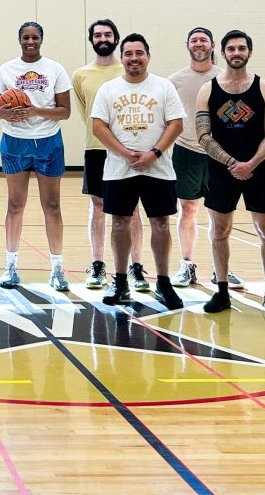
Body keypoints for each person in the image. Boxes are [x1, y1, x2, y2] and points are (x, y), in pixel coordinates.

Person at [91, 33, 185, 309]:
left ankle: (164, 282)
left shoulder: (163, 87)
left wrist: (153, 153)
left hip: (158, 169)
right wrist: (124, 152)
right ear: (122, 58)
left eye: (139, 53)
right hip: (120, 169)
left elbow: (176, 124)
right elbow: (99, 126)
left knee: (160, 224)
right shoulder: (109, 89)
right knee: (119, 223)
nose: (134, 58)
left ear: (148, 56)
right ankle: (120, 281)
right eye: (129, 53)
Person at [194, 30, 265, 316]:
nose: (236, 52)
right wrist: (232, 163)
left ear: (250, 52)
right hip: (221, 172)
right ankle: (221, 292)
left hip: (258, 169)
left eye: (241, 48)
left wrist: (252, 163)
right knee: (219, 231)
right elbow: (203, 135)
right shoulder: (208, 90)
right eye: (231, 48)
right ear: (222, 54)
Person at [0, 22, 72, 291]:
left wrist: (35, 110)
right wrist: (7, 112)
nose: (30, 41)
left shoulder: (55, 69)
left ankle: (57, 268)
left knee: (52, 205)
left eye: (35, 37)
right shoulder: (6, 69)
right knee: (15, 205)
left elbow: (64, 111)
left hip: (48, 142)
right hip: (15, 142)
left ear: (41, 39)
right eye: (26, 37)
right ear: (19, 40)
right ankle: (10, 265)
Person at [71, 19, 146, 290]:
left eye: (108, 34)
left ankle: (136, 267)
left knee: (132, 209)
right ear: (91, 39)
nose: (103, 38)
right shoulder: (81, 75)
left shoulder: (127, 68)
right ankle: (98, 265)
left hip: (130, 149)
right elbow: (86, 113)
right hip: (96, 149)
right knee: (99, 207)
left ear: (116, 38)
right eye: (98, 35)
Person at [168, 28, 236, 290]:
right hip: (186, 152)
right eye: (194, 40)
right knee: (188, 210)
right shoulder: (174, 80)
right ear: (187, 45)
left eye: (203, 40)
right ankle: (187, 265)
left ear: (212, 46)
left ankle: (222, 269)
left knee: (219, 214)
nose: (199, 44)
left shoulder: (225, 77)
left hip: (218, 153)